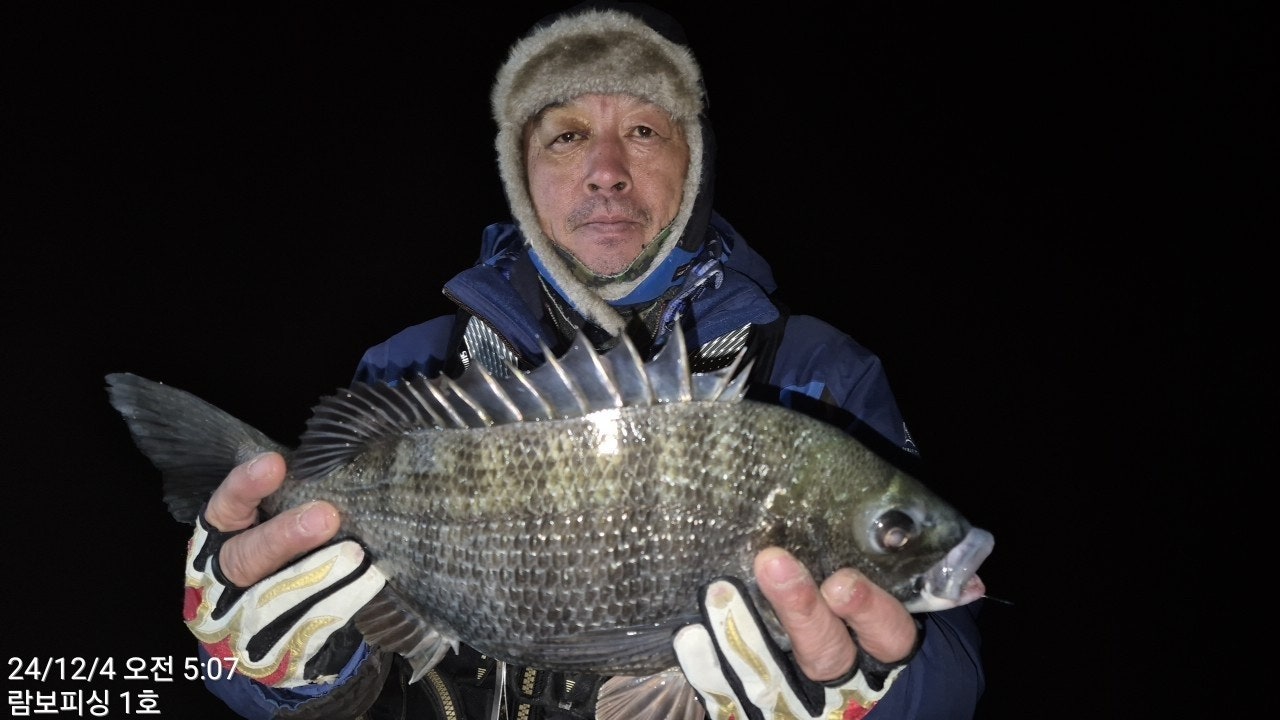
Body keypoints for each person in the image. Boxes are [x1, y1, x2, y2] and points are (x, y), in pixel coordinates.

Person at [180, 3, 985, 718]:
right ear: (521, 172)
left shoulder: (821, 374)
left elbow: (952, 672)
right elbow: (335, 652)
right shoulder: (410, 367)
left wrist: (875, 691)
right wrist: (283, 675)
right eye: (567, 135)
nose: (607, 172)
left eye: (644, 131)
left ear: (694, 161)